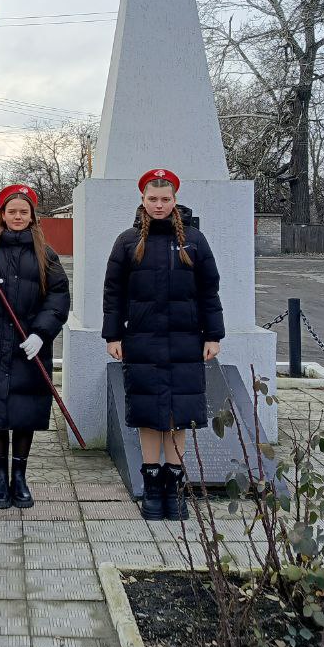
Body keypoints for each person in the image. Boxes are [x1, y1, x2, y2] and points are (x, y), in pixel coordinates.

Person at [101, 168, 224, 521]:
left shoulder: (195, 241)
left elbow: (208, 291)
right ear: (142, 200)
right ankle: (152, 487)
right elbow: (114, 293)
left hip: (186, 340)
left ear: (175, 200)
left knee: (178, 417)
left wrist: (213, 335)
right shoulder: (127, 241)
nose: (159, 205)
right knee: (148, 415)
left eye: (165, 199)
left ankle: (175, 488)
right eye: (152, 199)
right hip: (142, 340)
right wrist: (114, 335)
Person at [0, 184, 70, 509]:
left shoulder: (45, 255)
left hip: (28, 348)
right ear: (3, 215)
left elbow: (59, 297)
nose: (18, 216)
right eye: (12, 211)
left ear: (32, 216)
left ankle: (19, 477)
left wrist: (41, 333)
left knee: (23, 412)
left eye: (24, 211)